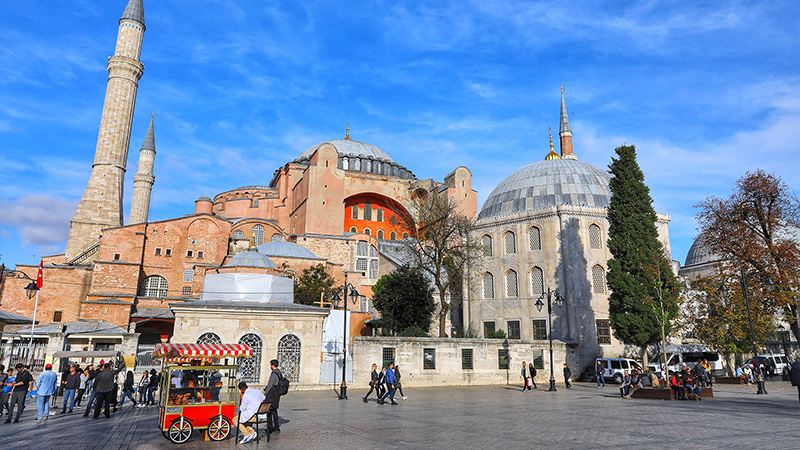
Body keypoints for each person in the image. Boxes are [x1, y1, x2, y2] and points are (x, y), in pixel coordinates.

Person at [263, 359, 284, 432]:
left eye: (270, 365)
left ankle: (270, 427)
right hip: (276, 394)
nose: (270, 366)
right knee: (274, 410)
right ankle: (276, 427)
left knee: (269, 410)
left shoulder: (274, 374)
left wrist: (265, 394)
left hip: (272, 394)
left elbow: (270, 385)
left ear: (272, 365)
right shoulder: (279, 373)